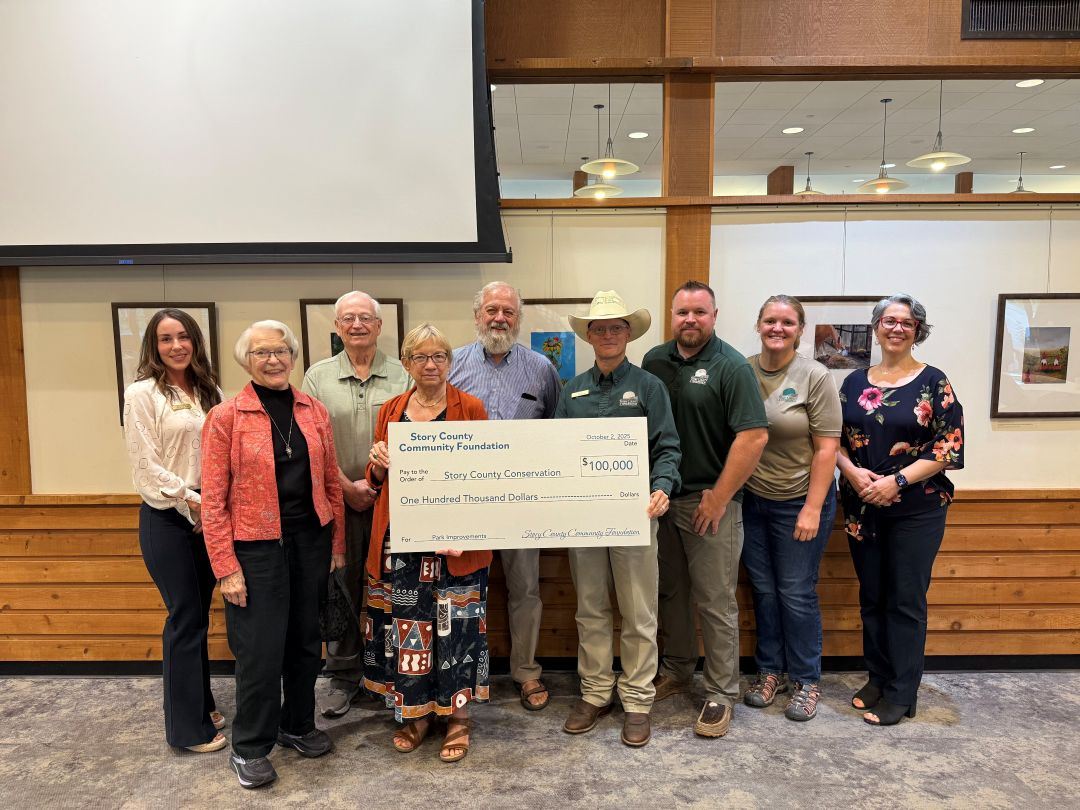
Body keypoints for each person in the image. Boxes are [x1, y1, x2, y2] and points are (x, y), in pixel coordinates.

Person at [201, 320, 345, 788]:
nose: (274, 359)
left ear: (293, 356)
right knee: (260, 651)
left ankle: (297, 723)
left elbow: (330, 484)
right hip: (255, 548)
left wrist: (336, 547)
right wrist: (226, 568)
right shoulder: (226, 417)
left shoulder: (313, 410)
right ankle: (250, 746)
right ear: (247, 360)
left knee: (306, 641)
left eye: (282, 351)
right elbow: (213, 500)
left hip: (310, 541)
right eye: (263, 352)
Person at [642, 280, 768, 739]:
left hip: (709, 502)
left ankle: (720, 690)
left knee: (715, 601)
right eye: (681, 312)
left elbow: (753, 436)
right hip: (661, 500)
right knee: (670, 592)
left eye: (699, 312)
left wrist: (719, 495)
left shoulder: (730, 366)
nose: (689, 320)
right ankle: (677, 670)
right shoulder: (655, 360)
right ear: (671, 315)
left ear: (714, 316)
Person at [554, 290, 681, 748]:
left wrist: (662, 487)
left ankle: (637, 699)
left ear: (629, 333)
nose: (608, 334)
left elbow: (668, 446)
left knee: (638, 611)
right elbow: (556, 452)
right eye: (599, 328)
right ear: (588, 336)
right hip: (584, 516)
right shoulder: (572, 390)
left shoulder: (649, 387)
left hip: (636, 513)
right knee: (590, 608)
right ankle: (594, 692)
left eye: (616, 327)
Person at [364, 323, 490, 763]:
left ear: (450, 362)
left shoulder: (470, 407)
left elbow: (483, 476)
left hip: (455, 546)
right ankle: (416, 713)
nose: (431, 364)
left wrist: (467, 532)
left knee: (455, 628)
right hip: (402, 543)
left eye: (439, 356)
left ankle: (457, 717)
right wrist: (377, 465)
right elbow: (376, 480)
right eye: (421, 357)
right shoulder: (392, 409)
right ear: (406, 363)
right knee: (409, 628)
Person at [837, 294, 964, 726]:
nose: (896, 328)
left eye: (906, 323)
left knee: (905, 600)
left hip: (916, 508)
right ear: (876, 328)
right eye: (888, 321)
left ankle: (902, 692)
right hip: (860, 505)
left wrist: (898, 480)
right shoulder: (853, 382)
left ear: (917, 331)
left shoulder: (934, 382)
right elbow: (830, 440)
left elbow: (949, 448)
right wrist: (853, 474)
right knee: (872, 597)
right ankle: (878, 677)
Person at [448, 281, 562, 711]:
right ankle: (458, 673)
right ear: (477, 315)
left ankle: (527, 672)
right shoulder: (450, 364)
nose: (500, 318)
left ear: (519, 318)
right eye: (492, 309)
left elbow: (556, 431)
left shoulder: (541, 369)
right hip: (463, 500)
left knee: (525, 589)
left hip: (522, 501)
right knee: (460, 587)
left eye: (508, 312)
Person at [302, 291, 409, 718]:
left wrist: (378, 485)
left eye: (366, 318)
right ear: (337, 326)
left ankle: (388, 672)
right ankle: (343, 675)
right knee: (342, 587)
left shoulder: (403, 375)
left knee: (392, 588)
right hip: (338, 499)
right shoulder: (317, 377)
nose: (358, 325)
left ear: (380, 326)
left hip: (395, 502)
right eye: (348, 319)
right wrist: (347, 487)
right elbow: (313, 445)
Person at [122, 308, 225, 753]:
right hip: (168, 517)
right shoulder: (142, 394)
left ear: (195, 342)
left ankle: (201, 704)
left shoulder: (210, 391)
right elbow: (146, 466)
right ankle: (187, 730)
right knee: (184, 619)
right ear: (153, 346)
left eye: (183, 337)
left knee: (199, 617)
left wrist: (215, 504)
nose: (176, 346)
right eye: (166, 339)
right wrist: (195, 500)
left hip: (209, 516)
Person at [741, 295, 841, 721]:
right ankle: (770, 672)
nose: (777, 328)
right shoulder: (742, 370)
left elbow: (827, 448)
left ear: (799, 330)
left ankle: (806, 680)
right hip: (752, 500)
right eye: (769, 321)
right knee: (763, 591)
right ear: (758, 325)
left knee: (796, 593)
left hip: (801, 499)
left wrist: (812, 508)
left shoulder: (815, 376)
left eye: (786, 322)